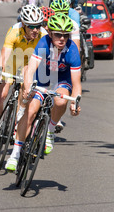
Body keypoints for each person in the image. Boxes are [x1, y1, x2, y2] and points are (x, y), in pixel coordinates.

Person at [5, 13, 82, 171]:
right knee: (31, 111)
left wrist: (75, 102)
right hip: (43, 78)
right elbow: (30, 69)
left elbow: (76, 84)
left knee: (61, 101)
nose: (62, 38)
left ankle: (50, 130)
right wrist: (27, 88)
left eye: (65, 35)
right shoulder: (43, 43)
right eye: (58, 35)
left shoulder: (72, 50)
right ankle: (15, 153)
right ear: (50, 33)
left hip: (61, 80)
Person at [0, 4, 46, 152]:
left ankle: (19, 118)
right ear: (23, 24)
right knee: (1, 95)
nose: (35, 30)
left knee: (26, 91)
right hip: (13, 61)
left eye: (38, 26)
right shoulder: (14, 31)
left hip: (29, 64)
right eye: (31, 26)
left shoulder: (43, 35)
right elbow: (4, 57)